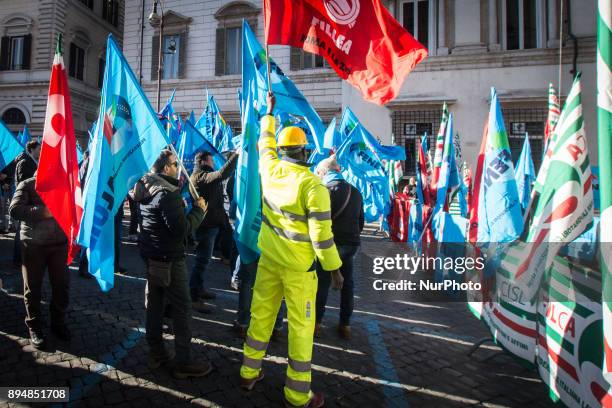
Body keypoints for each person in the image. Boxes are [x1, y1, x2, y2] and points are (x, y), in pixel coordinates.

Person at [239, 92, 343, 408]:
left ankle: (248, 373)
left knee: (260, 318)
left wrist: (269, 114)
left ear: (285, 151)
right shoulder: (313, 186)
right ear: (304, 151)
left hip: (269, 259)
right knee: (299, 329)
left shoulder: (269, 169)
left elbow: (265, 145)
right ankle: (297, 395)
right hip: (299, 270)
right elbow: (322, 237)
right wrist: (334, 269)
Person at [130, 149, 211, 379]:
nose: (178, 168)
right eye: (175, 164)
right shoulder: (167, 193)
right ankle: (183, 362)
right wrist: (199, 211)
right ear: (166, 168)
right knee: (182, 309)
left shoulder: (144, 186)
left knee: (155, 307)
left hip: (152, 257)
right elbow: (182, 230)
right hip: (170, 259)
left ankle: (156, 354)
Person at [9, 173, 70, 349]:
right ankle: (34, 327)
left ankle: (58, 323)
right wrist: (43, 211)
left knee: (61, 285)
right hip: (33, 245)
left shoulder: (64, 182)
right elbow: (14, 209)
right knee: (33, 288)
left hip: (59, 243)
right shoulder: (27, 184)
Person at [314, 156, 364, 340]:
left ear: (325, 172)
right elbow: (361, 223)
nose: (317, 176)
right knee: (348, 285)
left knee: (322, 284)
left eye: (319, 173)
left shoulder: (323, 191)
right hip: (350, 245)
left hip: (330, 245)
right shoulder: (356, 192)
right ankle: (345, 325)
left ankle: (317, 324)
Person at [189, 150, 238, 307]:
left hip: (214, 224)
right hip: (206, 226)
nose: (214, 163)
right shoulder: (200, 177)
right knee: (202, 261)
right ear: (203, 162)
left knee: (205, 259)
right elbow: (221, 175)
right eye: (211, 160)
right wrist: (236, 156)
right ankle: (193, 295)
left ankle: (199, 288)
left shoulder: (203, 175)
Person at [13, 140, 41, 265]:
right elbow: (22, 183)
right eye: (38, 149)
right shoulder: (24, 163)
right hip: (25, 202)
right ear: (31, 149)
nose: (40, 151)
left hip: (32, 201)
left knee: (28, 230)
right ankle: (18, 258)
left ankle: (27, 256)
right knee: (21, 230)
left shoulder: (35, 162)